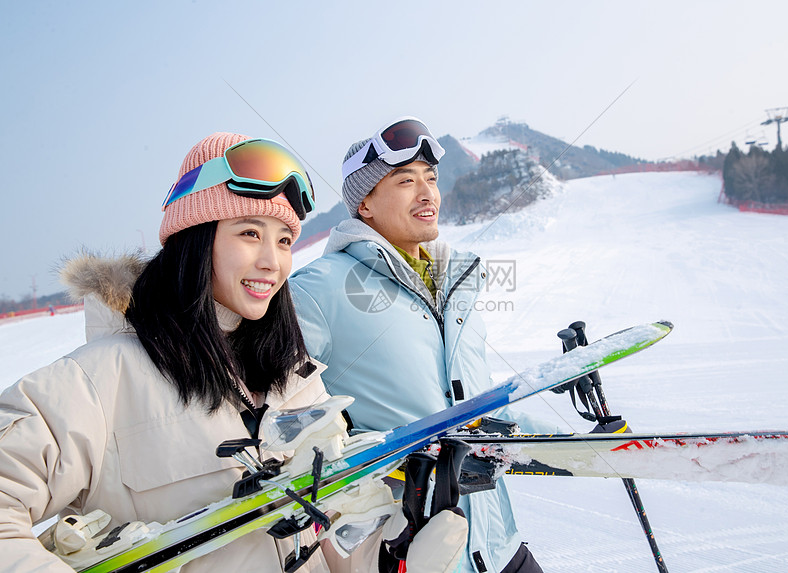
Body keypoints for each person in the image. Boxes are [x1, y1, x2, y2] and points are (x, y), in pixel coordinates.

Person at [0, 132, 465, 572]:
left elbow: (336, 532)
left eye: (284, 240)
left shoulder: (296, 379)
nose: (273, 261)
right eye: (249, 234)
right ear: (196, 239)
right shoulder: (102, 379)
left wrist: (391, 560)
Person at [291, 117, 553, 573]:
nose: (427, 192)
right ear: (365, 204)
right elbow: (283, 422)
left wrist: (582, 441)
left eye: (430, 178)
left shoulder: (455, 284)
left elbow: (479, 403)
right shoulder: (318, 289)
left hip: (499, 545)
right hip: (419, 553)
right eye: (406, 180)